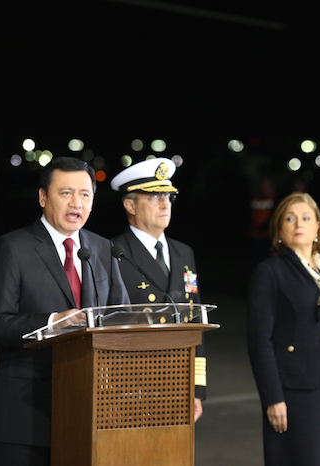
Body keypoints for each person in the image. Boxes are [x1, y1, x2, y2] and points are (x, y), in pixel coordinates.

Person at [0, 157, 129, 466]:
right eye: (66, 193)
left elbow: (123, 318)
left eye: (85, 194)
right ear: (42, 197)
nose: (76, 202)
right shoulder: (13, 248)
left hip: (89, 408)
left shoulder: (103, 249)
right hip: (26, 411)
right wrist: (52, 322)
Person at [247, 192, 320, 466]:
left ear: (318, 227)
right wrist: (272, 398)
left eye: (307, 218)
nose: (299, 224)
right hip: (291, 391)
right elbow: (260, 340)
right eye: (290, 218)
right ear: (279, 230)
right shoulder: (270, 271)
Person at [109, 157, 206, 421]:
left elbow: (195, 319)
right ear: (130, 205)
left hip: (178, 379)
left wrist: (197, 388)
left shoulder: (183, 252)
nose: (165, 204)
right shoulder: (112, 253)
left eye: (168, 197)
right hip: (131, 384)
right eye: (153, 197)